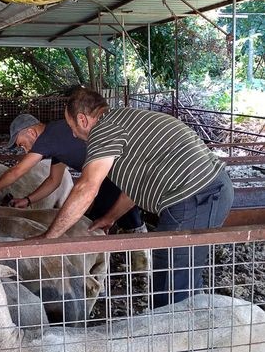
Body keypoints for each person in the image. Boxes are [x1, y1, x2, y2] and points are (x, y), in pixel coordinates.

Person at [36, 86, 234, 308]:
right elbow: (137, 187)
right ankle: (191, 326)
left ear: (83, 119)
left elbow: (86, 187)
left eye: (72, 127)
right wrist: (111, 217)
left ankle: (172, 336)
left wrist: (48, 239)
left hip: (195, 196)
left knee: (172, 287)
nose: (73, 134)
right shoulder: (123, 121)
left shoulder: (103, 129)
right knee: (181, 276)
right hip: (206, 192)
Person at [0, 113, 146, 233]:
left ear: (31, 133)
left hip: (116, 175)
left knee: (128, 223)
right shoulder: (55, 140)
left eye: (22, 144)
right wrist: (27, 201)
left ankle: (144, 266)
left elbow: (17, 171)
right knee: (97, 222)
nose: (26, 150)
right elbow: (53, 181)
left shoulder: (47, 138)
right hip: (104, 177)